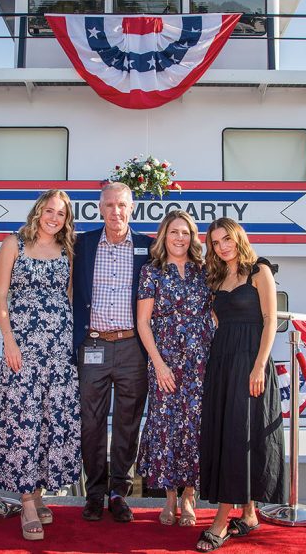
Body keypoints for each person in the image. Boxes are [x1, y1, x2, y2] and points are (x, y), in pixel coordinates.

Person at [0, 189, 80, 542]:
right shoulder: (14, 243)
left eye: (61, 213)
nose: (54, 218)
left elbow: (69, 296)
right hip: (22, 346)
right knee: (22, 418)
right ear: (39, 211)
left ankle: (40, 492)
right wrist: (8, 339)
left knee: (48, 418)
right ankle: (26, 499)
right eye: (50, 211)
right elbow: (0, 295)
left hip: (58, 348)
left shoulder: (66, 250)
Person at [196, 217, 286, 552]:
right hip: (223, 361)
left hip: (251, 362)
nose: (221, 247)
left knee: (242, 433)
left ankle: (221, 519)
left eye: (226, 239)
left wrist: (259, 365)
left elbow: (270, 320)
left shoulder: (260, 270)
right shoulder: (216, 276)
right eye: (215, 243)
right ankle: (248, 514)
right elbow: (220, 321)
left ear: (238, 237)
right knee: (230, 431)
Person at [72, 182, 153, 523]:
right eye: (109, 205)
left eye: (121, 205)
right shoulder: (82, 244)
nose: (115, 211)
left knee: (127, 422)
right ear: (99, 208)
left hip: (133, 346)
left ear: (131, 208)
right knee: (90, 423)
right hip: (93, 345)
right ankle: (94, 493)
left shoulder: (149, 247)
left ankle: (119, 491)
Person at [135, 210, 214, 527]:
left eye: (185, 232)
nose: (180, 238)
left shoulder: (204, 271)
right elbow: (143, 322)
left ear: (193, 237)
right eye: (174, 232)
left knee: (195, 428)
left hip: (200, 362)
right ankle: (169, 499)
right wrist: (158, 363)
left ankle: (189, 498)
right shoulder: (150, 272)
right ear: (163, 236)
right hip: (164, 360)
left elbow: (215, 315)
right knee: (166, 427)